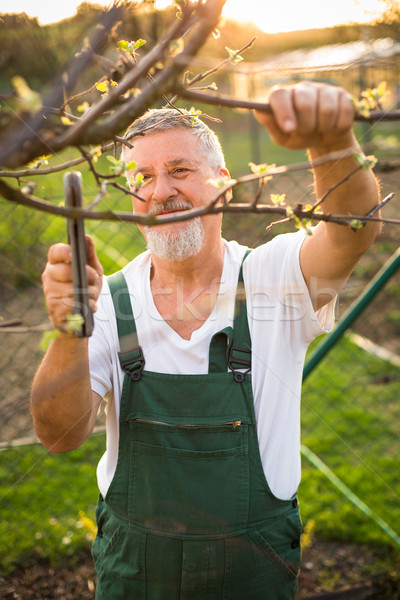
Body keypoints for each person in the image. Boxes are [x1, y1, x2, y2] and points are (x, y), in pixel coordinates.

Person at [31, 82, 380, 599]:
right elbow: (59, 436)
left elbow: (354, 229)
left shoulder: (274, 277)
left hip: (253, 572)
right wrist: (69, 330)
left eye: (179, 170)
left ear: (225, 183)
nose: (160, 191)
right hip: (134, 573)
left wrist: (330, 142)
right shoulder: (107, 300)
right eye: (142, 177)